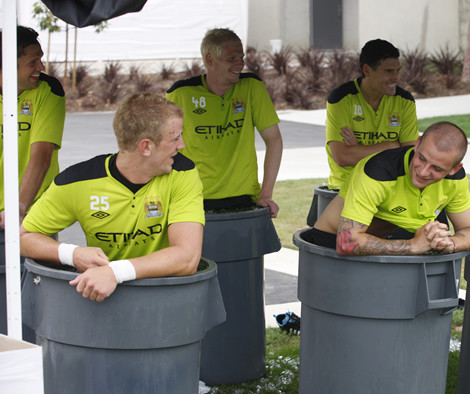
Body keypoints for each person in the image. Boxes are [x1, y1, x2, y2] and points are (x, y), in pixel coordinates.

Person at [20, 93, 205, 303]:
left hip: (164, 298)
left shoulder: (183, 172)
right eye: (175, 138)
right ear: (146, 146)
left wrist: (115, 272)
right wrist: (73, 254)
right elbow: (23, 238)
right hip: (100, 302)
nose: (182, 145)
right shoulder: (76, 181)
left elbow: (187, 257)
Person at [311, 121, 470, 256]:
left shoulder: (455, 179)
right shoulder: (377, 171)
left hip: (389, 240)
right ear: (417, 143)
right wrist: (413, 246)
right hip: (330, 245)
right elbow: (347, 242)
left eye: (437, 168)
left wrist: (449, 244)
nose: (423, 171)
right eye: (421, 158)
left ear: (454, 169)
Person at [166, 28, 283, 215]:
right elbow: (162, 146)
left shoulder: (252, 86)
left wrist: (266, 194)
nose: (240, 64)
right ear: (210, 60)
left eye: (241, 57)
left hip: (245, 198)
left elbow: (274, 139)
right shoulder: (181, 93)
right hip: (192, 198)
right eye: (231, 59)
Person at [324, 38, 419, 191]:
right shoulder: (340, 99)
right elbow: (342, 157)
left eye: (398, 71)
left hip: (390, 189)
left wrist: (357, 149)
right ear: (367, 70)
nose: (396, 78)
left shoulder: (405, 101)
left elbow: (409, 156)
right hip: (346, 189)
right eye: (389, 71)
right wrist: (391, 146)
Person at [0, 26, 65, 228]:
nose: (41, 66)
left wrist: (19, 207)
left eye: (41, 58)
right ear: (8, 64)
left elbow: (41, 156)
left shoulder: (49, 89)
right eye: (33, 62)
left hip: (33, 209)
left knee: (31, 261)